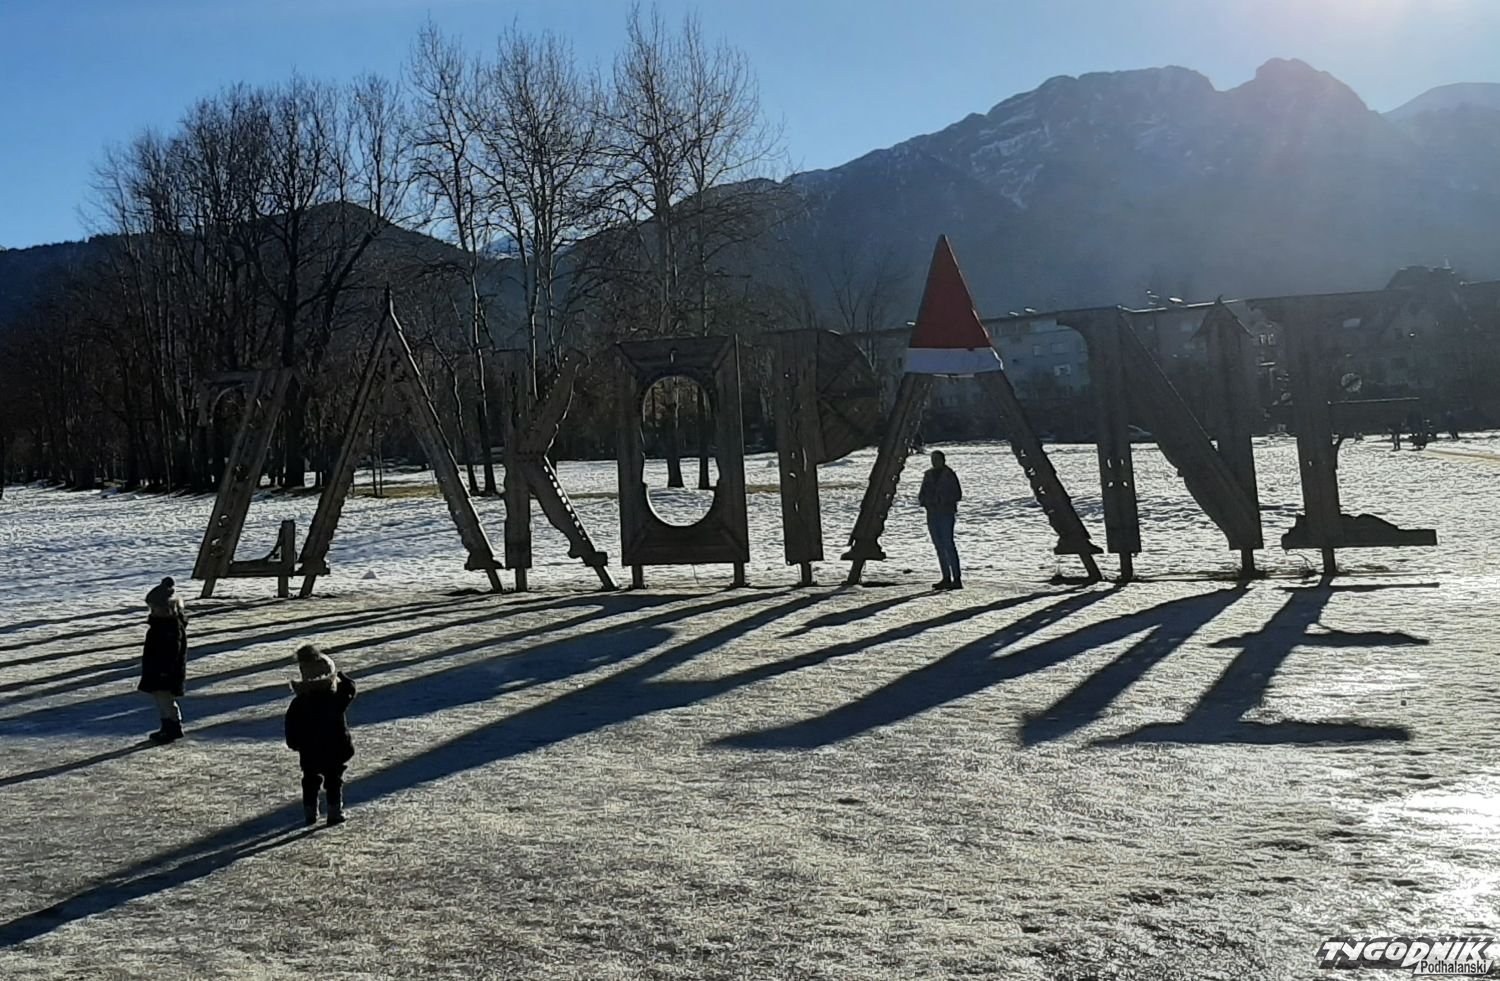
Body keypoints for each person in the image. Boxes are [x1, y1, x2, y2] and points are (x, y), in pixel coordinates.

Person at [285, 644, 357, 826]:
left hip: (309, 751)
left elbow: (291, 726)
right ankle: (334, 812)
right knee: (334, 781)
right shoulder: (335, 699)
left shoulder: (299, 703)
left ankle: (310, 812)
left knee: (310, 780)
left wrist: (294, 743)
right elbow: (349, 690)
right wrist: (343, 678)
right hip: (334, 749)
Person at [139, 577, 188, 744]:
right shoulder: (160, 625)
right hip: (157, 669)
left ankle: (173, 726)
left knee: (166, 700)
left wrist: (165, 670)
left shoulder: (170, 628)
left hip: (165, 671)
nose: (152, 612)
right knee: (161, 700)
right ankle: (167, 726)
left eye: (154, 608)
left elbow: (173, 651)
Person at [917, 449, 963, 590]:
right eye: (932, 459)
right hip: (932, 513)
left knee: (948, 544)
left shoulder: (949, 475)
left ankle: (956, 578)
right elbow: (921, 494)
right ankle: (946, 577)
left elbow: (957, 494)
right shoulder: (928, 475)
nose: (934, 462)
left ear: (943, 460)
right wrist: (927, 502)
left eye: (937, 459)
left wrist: (943, 500)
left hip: (946, 513)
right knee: (939, 546)